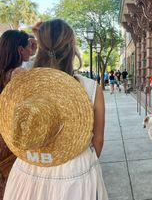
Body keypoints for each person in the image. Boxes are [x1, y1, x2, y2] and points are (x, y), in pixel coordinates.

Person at [2, 19, 108, 200]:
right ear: (72, 49)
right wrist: (84, 162)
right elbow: (98, 140)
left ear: (38, 47)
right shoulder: (91, 88)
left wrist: (39, 40)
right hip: (75, 172)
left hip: (28, 168)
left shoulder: (22, 82)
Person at [0, 30, 31, 200]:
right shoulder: (18, 73)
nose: (30, 50)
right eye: (28, 47)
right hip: (11, 138)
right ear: (20, 50)